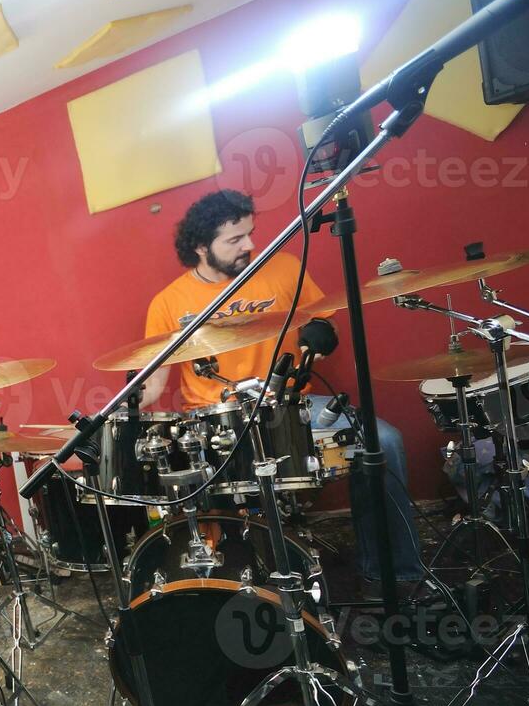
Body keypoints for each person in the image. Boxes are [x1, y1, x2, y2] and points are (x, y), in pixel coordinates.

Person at [139, 188, 422, 589]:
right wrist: (129, 403)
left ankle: (394, 575)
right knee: (187, 477)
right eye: (235, 240)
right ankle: (224, 587)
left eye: (250, 234)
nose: (250, 245)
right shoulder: (169, 303)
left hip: (290, 408)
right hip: (216, 424)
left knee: (384, 442)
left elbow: (325, 321)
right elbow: (155, 380)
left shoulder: (284, 268)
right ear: (202, 247)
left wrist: (320, 334)